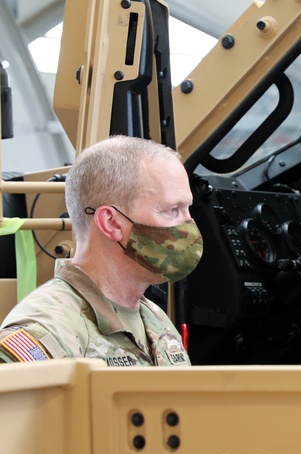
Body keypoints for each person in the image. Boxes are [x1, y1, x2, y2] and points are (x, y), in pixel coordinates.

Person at [0, 135, 203, 366]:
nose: (189, 225)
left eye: (188, 209)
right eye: (172, 210)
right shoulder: (47, 331)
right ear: (112, 223)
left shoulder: (154, 319)